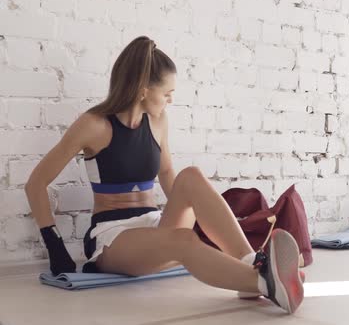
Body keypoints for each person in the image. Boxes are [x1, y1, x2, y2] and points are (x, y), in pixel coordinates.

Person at [24, 36, 304, 314]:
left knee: (191, 176)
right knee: (183, 241)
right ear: (143, 91)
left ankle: (252, 264)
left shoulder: (157, 121)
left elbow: (169, 173)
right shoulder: (93, 125)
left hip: (155, 224)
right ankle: (264, 283)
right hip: (114, 236)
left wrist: (196, 215)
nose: (171, 99)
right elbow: (36, 183)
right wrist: (54, 245)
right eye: (167, 92)